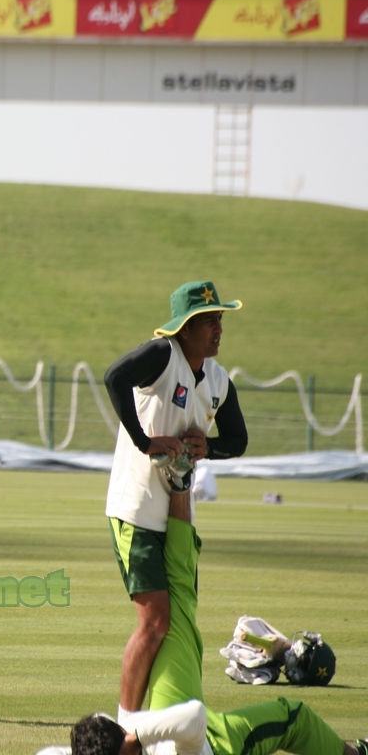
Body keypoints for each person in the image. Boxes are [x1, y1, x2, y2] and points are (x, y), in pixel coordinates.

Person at [67, 491, 367, 755]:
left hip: (170, 717)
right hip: (217, 744)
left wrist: (129, 728)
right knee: (295, 718)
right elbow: (194, 718)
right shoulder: (165, 747)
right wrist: (136, 734)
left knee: (173, 614)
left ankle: (179, 484)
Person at [103, 280, 248, 719]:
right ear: (185, 328)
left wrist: (210, 448)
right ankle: (127, 728)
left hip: (180, 518)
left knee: (175, 624)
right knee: (154, 623)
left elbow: (238, 440)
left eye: (221, 318)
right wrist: (144, 440)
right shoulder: (163, 355)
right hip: (137, 509)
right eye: (208, 320)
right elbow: (115, 377)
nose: (218, 327)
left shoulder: (218, 379)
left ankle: (153, 721)